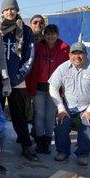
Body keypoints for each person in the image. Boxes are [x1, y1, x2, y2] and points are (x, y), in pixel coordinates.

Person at [48, 42, 90, 166]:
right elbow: (53, 88)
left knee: (87, 126)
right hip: (68, 105)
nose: (77, 56)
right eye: (74, 53)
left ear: (86, 54)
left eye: (80, 53)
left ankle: (83, 154)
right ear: (69, 55)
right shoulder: (63, 68)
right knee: (61, 124)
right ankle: (63, 152)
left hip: (87, 106)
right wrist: (61, 108)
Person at [0, 0, 38, 161]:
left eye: (12, 9)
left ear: (17, 10)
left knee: (18, 113)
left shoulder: (26, 31)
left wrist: (17, 77)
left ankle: (26, 145)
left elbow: (29, 57)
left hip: (18, 78)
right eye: (6, 9)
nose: (9, 12)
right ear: (2, 12)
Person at [26, 24, 69, 154]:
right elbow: (32, 68)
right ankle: (39, 143)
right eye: (48, 33)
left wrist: (65, 89)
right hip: (39, 87)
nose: (50, 36)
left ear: (57, 34)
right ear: (44, 35)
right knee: (39, 115)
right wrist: (30, 87)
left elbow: (68, 70)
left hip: (55, 89)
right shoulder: (38, 48)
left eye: (53, 33)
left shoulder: (65, 49)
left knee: (50, 116)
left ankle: (47, 142)